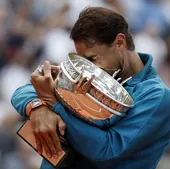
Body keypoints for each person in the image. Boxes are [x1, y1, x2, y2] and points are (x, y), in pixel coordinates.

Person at [11, 7, 170, 169]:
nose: (86, 67)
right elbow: (23, 91)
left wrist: (55, 104)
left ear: (119, 43)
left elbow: (107, 151)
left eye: (92, 58)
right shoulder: (93, 71)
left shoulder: (158, 96)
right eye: (82, 60)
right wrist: (38, 108)